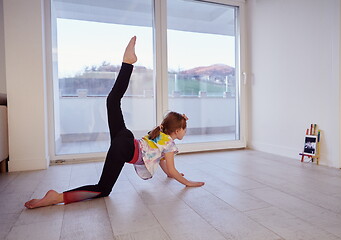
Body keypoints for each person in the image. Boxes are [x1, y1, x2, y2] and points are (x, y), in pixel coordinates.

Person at [24, 36, 205, 209]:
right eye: (185, 130)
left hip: (125, 137)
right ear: (179, 129)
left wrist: (171, 175)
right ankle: (56, 197)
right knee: (103, 189)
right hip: (124, 148)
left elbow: (165, 165)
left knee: (112, 101)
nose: (185, 133)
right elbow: (171, 168)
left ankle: (127, 63)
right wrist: (188, 182)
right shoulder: (170, 145)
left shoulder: (161, 133)